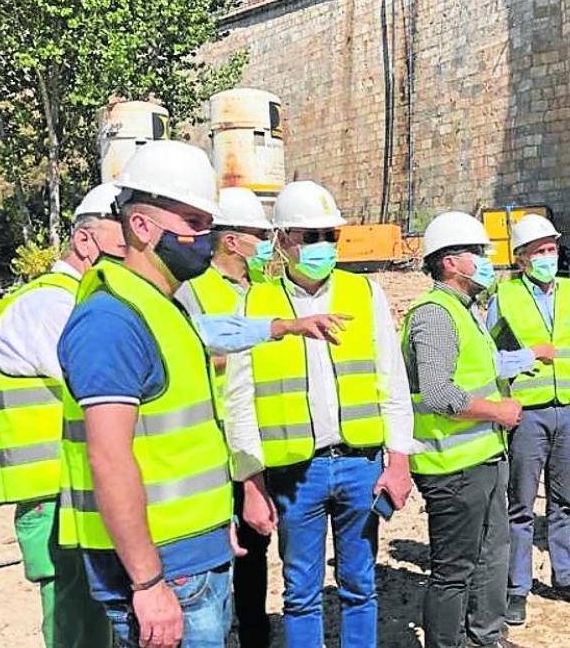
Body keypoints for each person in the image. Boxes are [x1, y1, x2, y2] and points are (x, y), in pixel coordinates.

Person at [56, 143, 345, 648]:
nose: (204, 237)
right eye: (192, 221)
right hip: (161, 573)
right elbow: (109, 458)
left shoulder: (164, 306)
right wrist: (146, 584)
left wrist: (212, 532)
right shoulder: (110, 320)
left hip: (191, 557)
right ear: (142, 227)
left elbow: (191, 421)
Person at [226, 180, 415, 648]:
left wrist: (399, 460)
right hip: (295, 474)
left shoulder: (363, 293)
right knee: (301, 594)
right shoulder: (257, 303)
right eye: (311, 237)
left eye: (330, 236)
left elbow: (392, 382)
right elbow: (240, 401)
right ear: (283, 240)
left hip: (359, 465)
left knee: (359, 587)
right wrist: (250, 482)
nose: (323, 246)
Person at [0, 183, 123, 648]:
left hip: (74, 489)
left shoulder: (85, 297)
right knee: (77, 624)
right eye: (121, 241)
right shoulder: (52, 304)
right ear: (85, 241)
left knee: (95, 616)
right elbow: (99, 383)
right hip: (54, 495)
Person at [401, 211, 524, 648]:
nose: (487, 259)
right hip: (452, 467)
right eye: (478, 252)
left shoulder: (466, 311)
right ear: (450, 262)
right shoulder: (433, 315)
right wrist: (497, 412)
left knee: (493, 554)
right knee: (453, 571)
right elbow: (438, 392)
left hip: (486, 456)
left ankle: (485, 636)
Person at [486, 215, 570, 628]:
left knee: (563, 499)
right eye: (539, 251)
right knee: (521, 504)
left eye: (552, 249)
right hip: (529, 411)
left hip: (569, 407)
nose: (548, 257)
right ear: (520, 259)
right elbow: (488, 359)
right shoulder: (506, 296)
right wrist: (529, 356)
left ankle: (565, 576)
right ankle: (517, 588)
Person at [173, 187, 276, 648]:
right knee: (235, 552)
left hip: (272, 436)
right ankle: (242, 632)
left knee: (262, 549)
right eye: (260, 235)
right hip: (221, 442)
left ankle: (256, 628)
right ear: (232, 241)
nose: (267, 243)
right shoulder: (193, 293)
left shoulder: (266, 292)